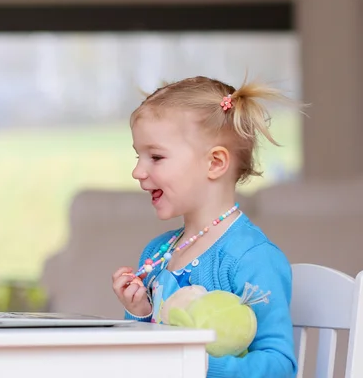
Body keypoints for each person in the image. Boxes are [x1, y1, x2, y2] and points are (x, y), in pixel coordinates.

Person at [111, 76, 300, 377]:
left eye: (156, 157)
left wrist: (196, 364)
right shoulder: (159, 252)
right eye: (138, 156)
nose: (137, 171)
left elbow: (280, 366)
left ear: (214, 163)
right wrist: (140, 311)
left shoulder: (252, 258)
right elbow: (148, 359)